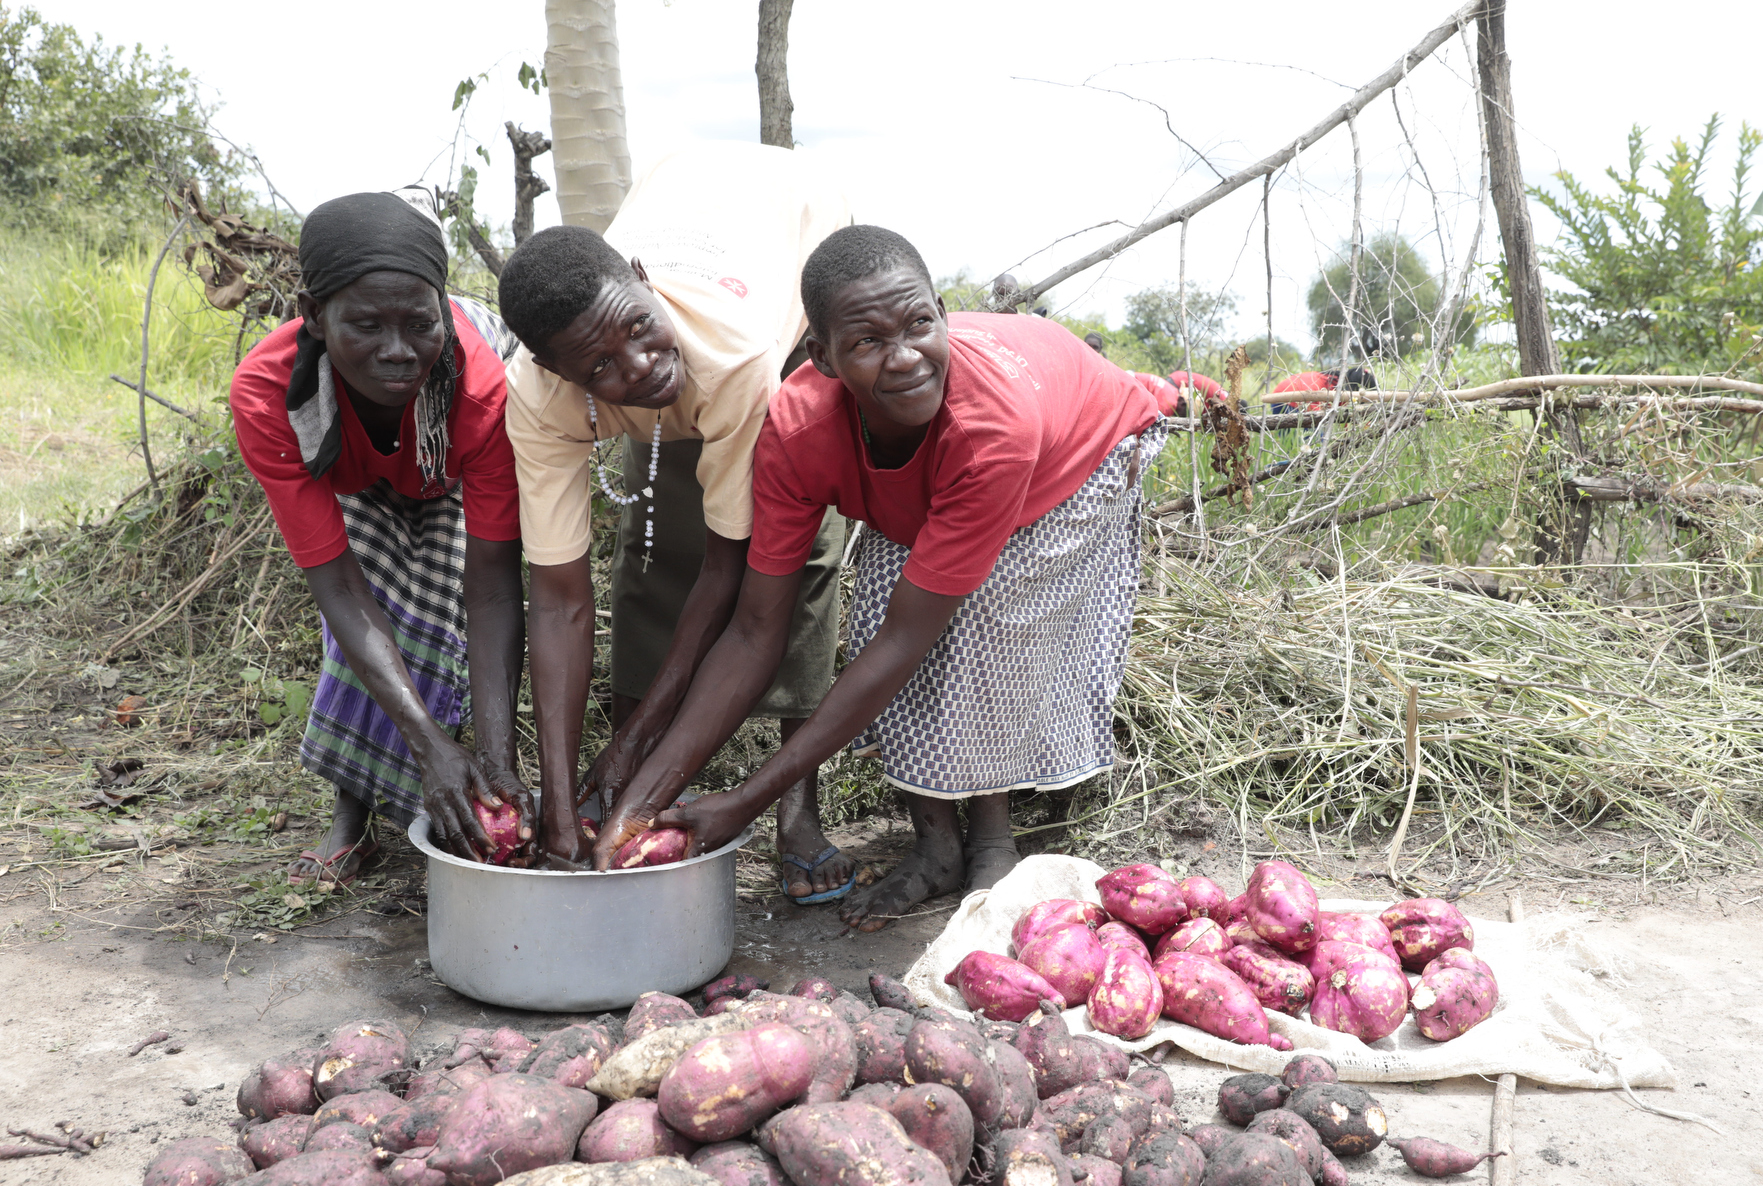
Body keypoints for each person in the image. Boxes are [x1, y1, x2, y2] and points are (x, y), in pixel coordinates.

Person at [590, 225, 1166, 932]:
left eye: (920, 325)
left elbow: (904, 645)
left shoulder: (991, 431)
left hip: (1079, 443)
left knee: (992, 621)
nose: (905, 359)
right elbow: (753, 627)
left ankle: (992, 843)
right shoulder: (799, 433)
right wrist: (646, 800)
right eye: (867, 343)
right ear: (822, 358)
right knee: (885, 599)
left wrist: (745, 798)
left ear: (943, 315)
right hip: (949, 470)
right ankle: (936, 846)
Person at [497, 142, 854, 897]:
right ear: (554, 371)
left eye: (635, 326)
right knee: (653, 543)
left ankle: (798, 810)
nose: (636, 368)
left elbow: (731, 572)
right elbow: (558, 597)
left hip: (788, 229)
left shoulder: (736, 352)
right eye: (597, 367)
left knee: (795, 559)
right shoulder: (534, 396)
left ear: (641, 278)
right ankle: (604, 796)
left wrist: (638, 757)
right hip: (681, 205)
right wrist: (557, 802)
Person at [228, 192, 528, 881]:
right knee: (371, 606)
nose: (397, 352)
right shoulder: (272, 394)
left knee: (440, 600)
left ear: (440, 314)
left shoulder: (481, 385)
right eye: (365, 325)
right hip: (351, 470)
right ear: (314, 315)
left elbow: (490, 592)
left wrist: (496, 758)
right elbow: (335, 583)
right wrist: (427, 746)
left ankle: (475, 792)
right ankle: (352, 815)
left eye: (419, 324)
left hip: (452, 455)